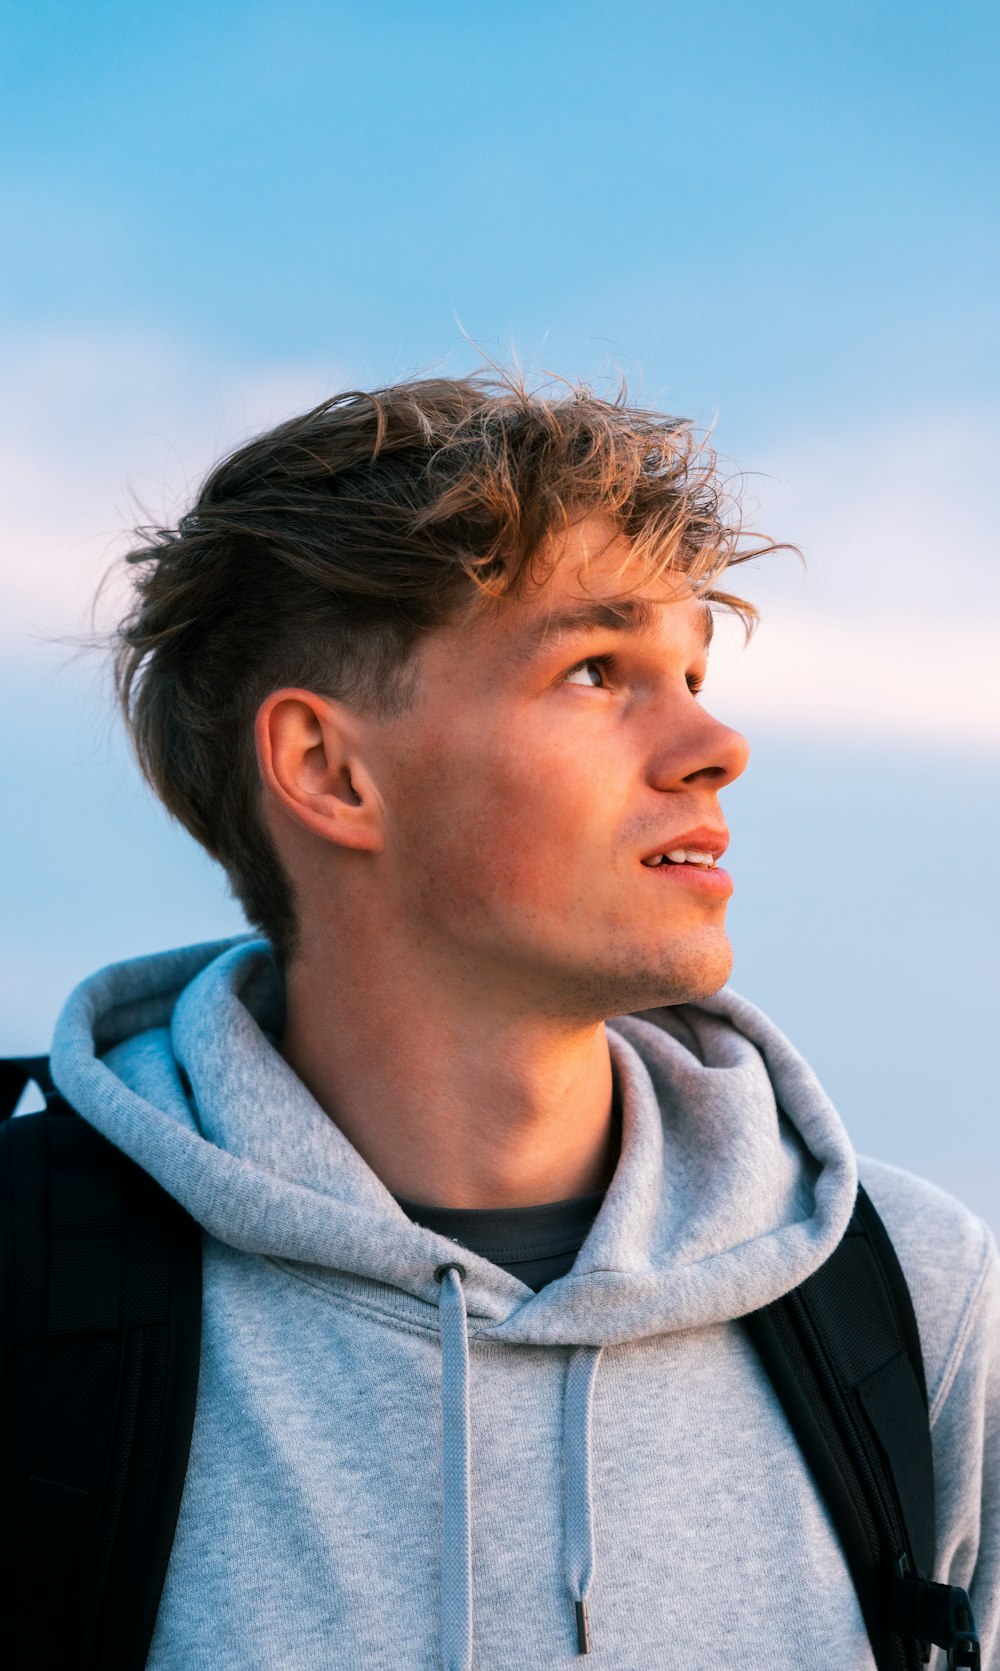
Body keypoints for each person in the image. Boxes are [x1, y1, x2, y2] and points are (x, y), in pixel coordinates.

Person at [47, 373, 998, 1668]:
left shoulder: (905, 1297)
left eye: (694, 671)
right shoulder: (28, 1284)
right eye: (599, 669)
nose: (716, 743)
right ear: (330, 771)